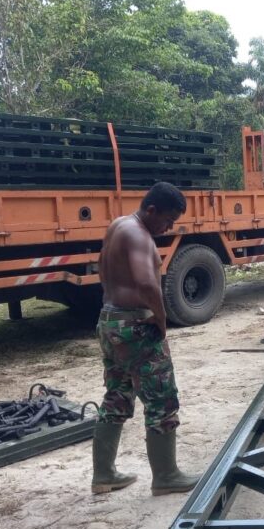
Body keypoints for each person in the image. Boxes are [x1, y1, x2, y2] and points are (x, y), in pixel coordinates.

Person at [91, 182, 199, 496]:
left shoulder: (118, 226)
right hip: (136, 327)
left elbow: (101, 266)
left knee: (116, 395)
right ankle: (166, 476)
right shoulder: (139, 234)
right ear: (151, 210)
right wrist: (162, 320)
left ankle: (104, 475)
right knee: (162, 400)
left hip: (110, 321)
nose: (169, 227)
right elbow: (146, 283)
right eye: (167, 220)